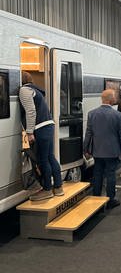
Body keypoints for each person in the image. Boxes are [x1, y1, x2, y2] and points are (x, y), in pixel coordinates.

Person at [19, 71, 64, 201]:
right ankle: (58, 187)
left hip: (40, 127)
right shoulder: (36, 90)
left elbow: (31, 111)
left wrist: (29, 132)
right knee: (50, 157)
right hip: (48, 125)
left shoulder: (24, 90)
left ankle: (47, 189)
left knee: (43, 159)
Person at [83, 89, 121, 209]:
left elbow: (88, 134)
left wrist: (86, 149)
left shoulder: (92, 114)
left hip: (97, 151)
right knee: (111, 175)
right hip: (112, 151)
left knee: (97, 174)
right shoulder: (118, 115)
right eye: (114, 97)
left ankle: (96, 198)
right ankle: (110, 199)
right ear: (110, 99)